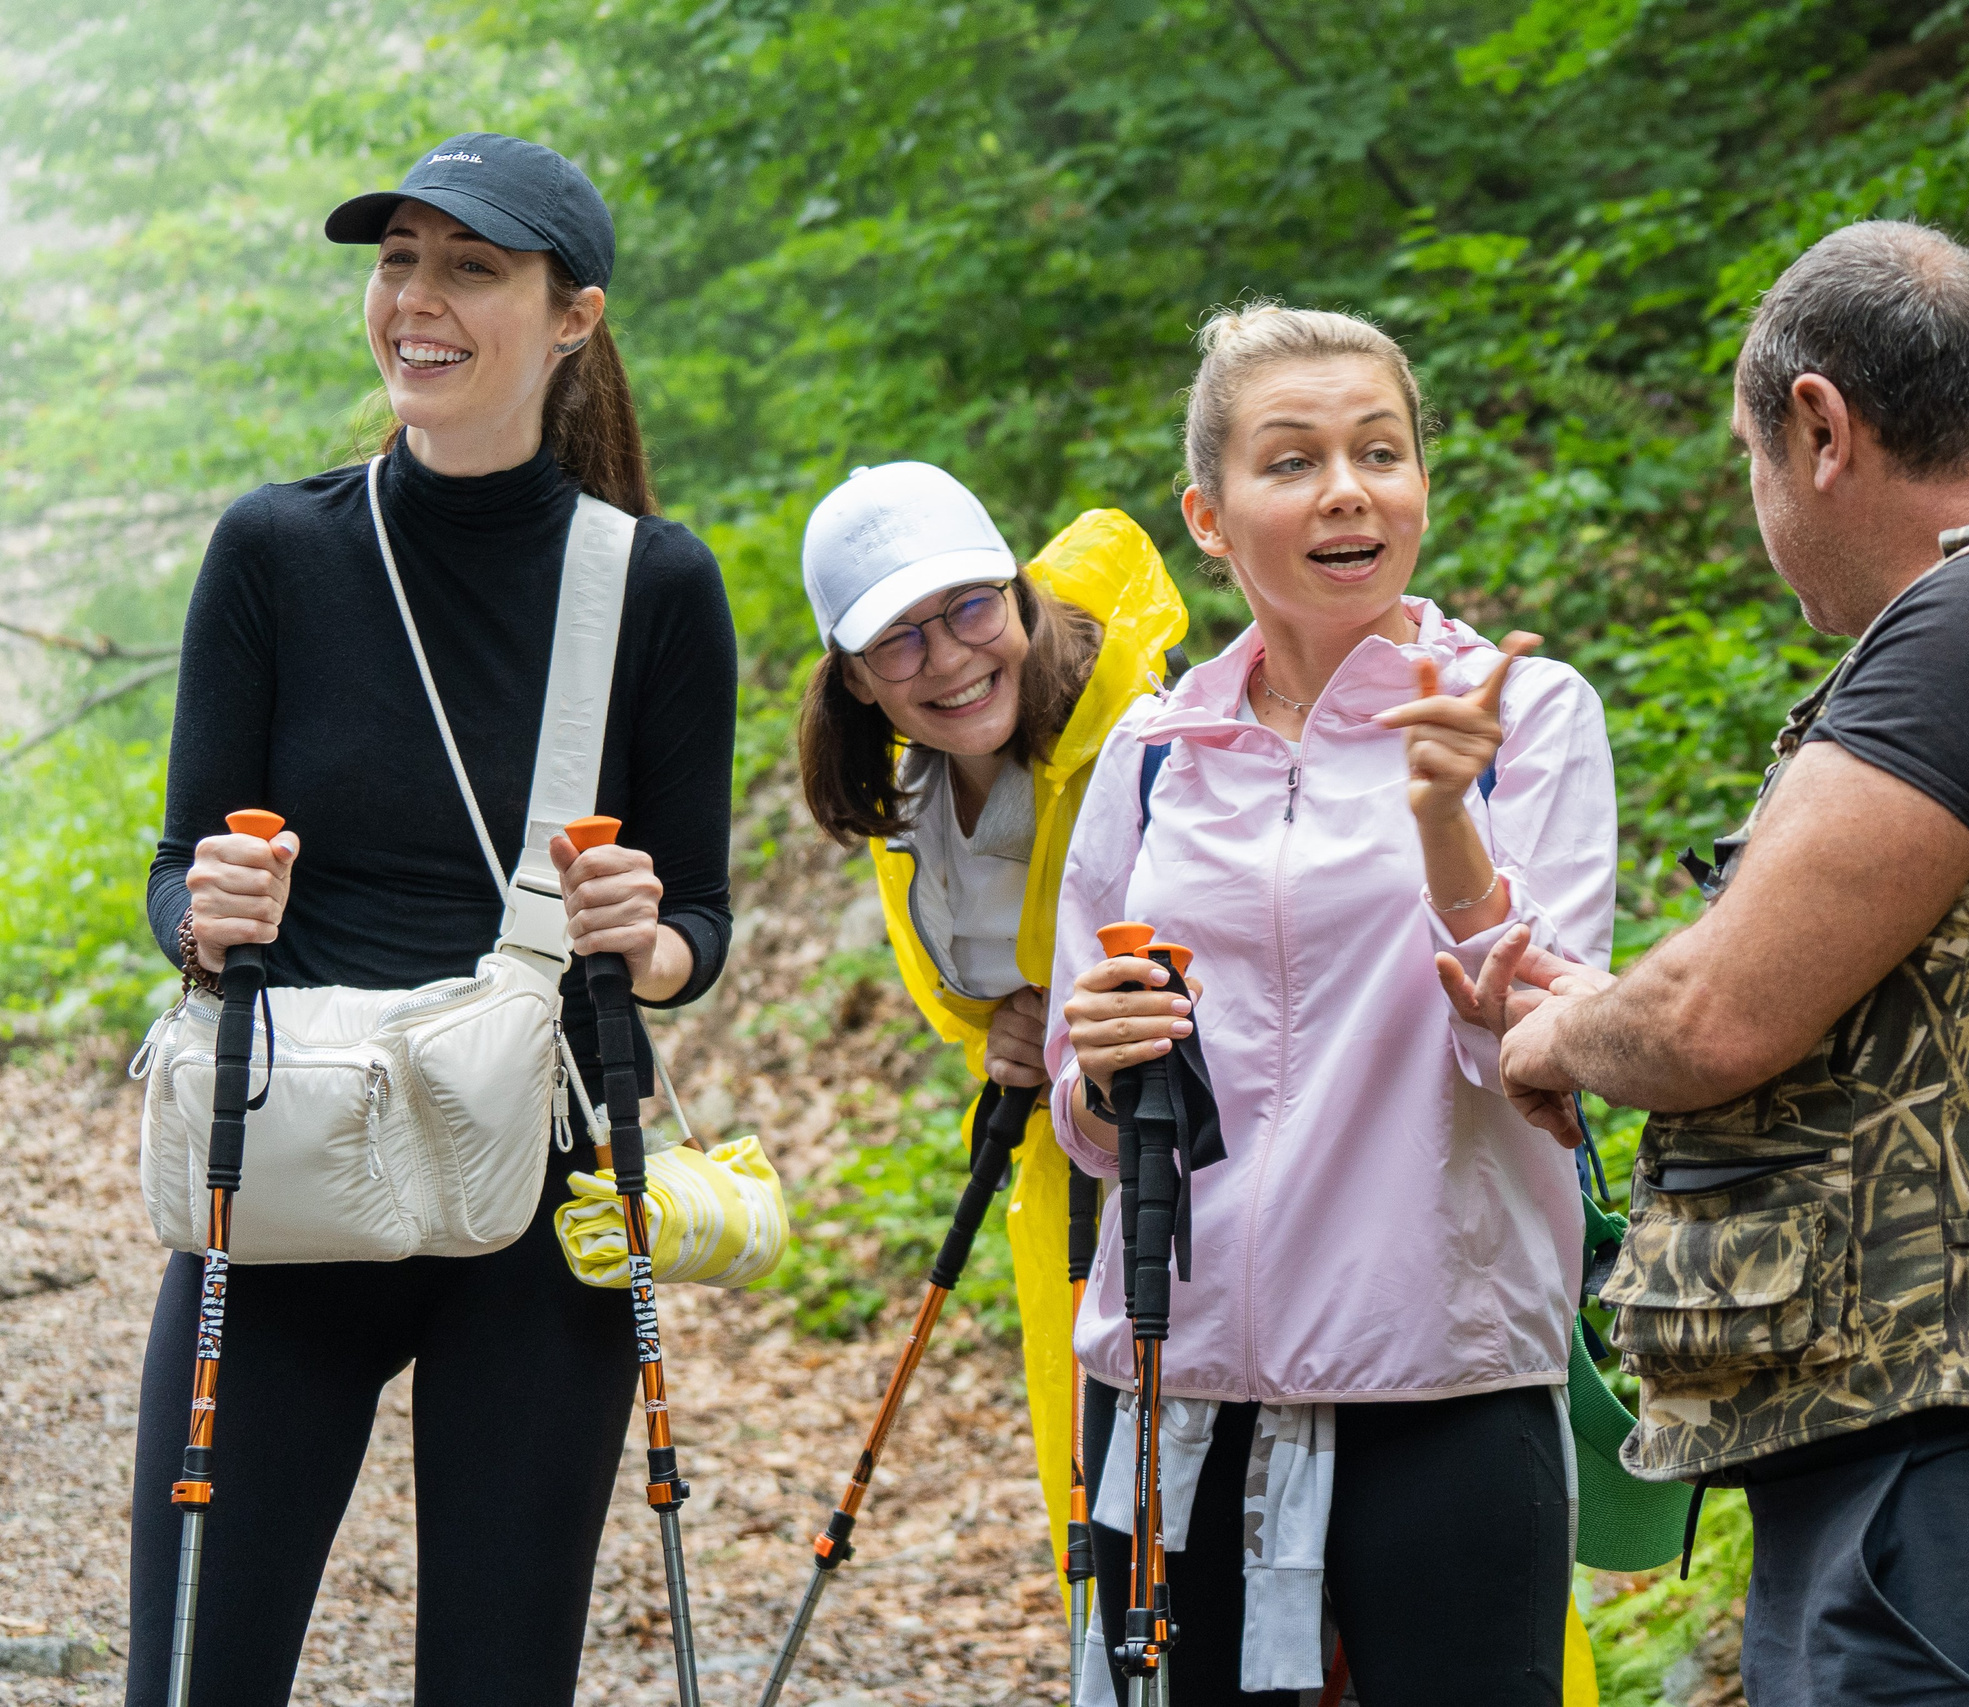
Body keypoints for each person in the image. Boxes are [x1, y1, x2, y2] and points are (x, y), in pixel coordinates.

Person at [1466, 221, 1969, 1707]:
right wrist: (1593, 1005)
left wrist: (1556, 1038)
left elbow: (1715, 1010)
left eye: (1750, 460)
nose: (1761, 508)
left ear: (1820, 425)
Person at [128, 133, 736, 1706]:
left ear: (573, 316)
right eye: (400, 258)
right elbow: (176, 879)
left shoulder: (653, 583)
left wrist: (645, 936)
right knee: (193, 1672)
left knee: (499, 1677)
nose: (420, 297)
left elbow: (700, 925)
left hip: (534, 1188)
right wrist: (206, 907)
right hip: (277, 1162)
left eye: (473, 266)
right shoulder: (276, 548)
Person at [1048, 304, 1618, 1707]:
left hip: (1443, 1376)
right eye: (1291, 460)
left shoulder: (1521, 716)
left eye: (1381, 450)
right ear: (1210, 513)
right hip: (1175, 1373)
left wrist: (1444, 824)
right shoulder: (1150, 751)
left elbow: (1538, 1050)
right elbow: (1085, 1091)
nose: (1348, 488)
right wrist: (1102, 1071)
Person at [794, 458, 1188, 1587]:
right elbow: (980, 1006)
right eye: (899, 640)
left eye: (968, 607)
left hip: (1203, 1179)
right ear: (858, 679)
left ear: (1016, 596)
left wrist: (1070, 1020)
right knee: (1103, 1508)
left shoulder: (1148, 738)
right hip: (1065, 1187)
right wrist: (1012, 1040)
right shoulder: (908, 805)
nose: (951, 658)